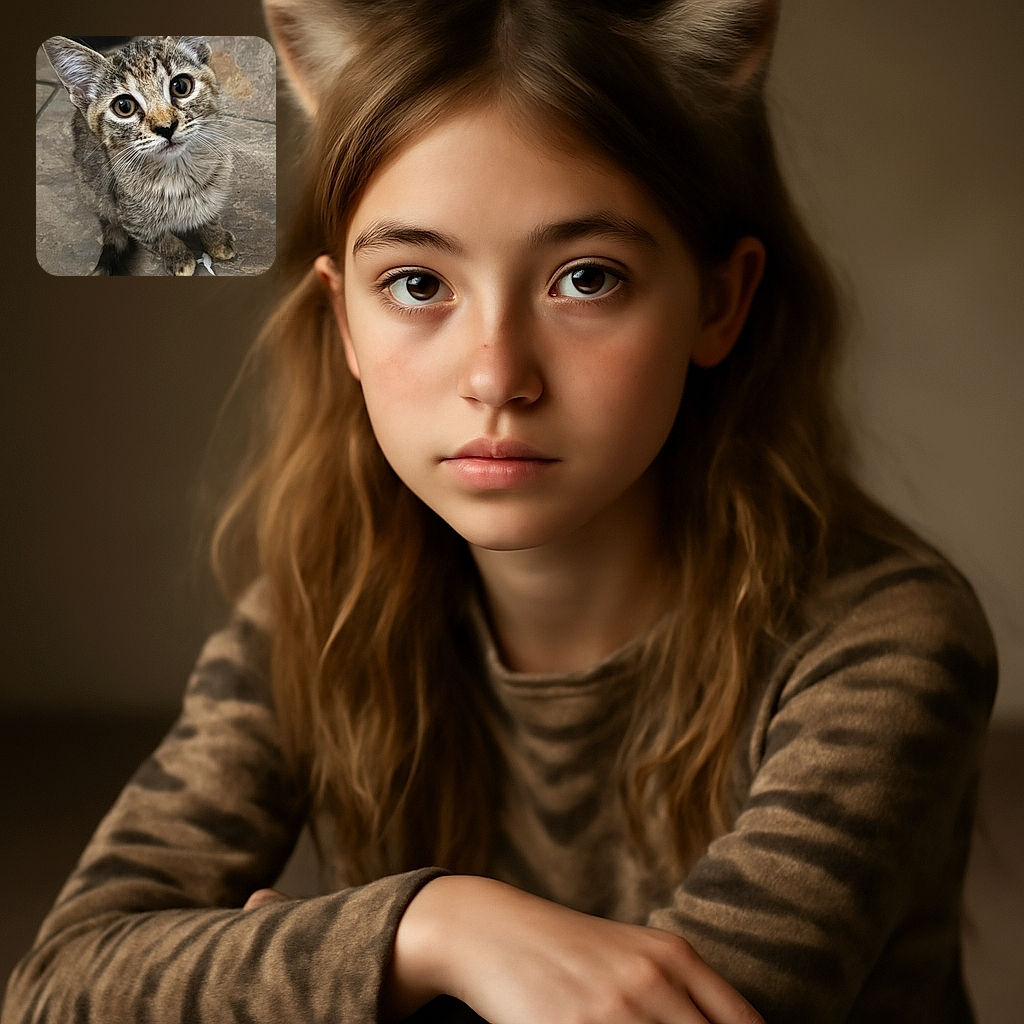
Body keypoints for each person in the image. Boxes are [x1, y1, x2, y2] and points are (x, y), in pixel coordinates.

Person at [2, 1, 997, 1021]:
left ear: (717, 303)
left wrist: (290, 966)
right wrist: (432, 927)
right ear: (342, 316)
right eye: (417, 281)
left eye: (585, 277)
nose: (497, 376)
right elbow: (58, 986)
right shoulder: (310, 618)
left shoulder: (885, 642)